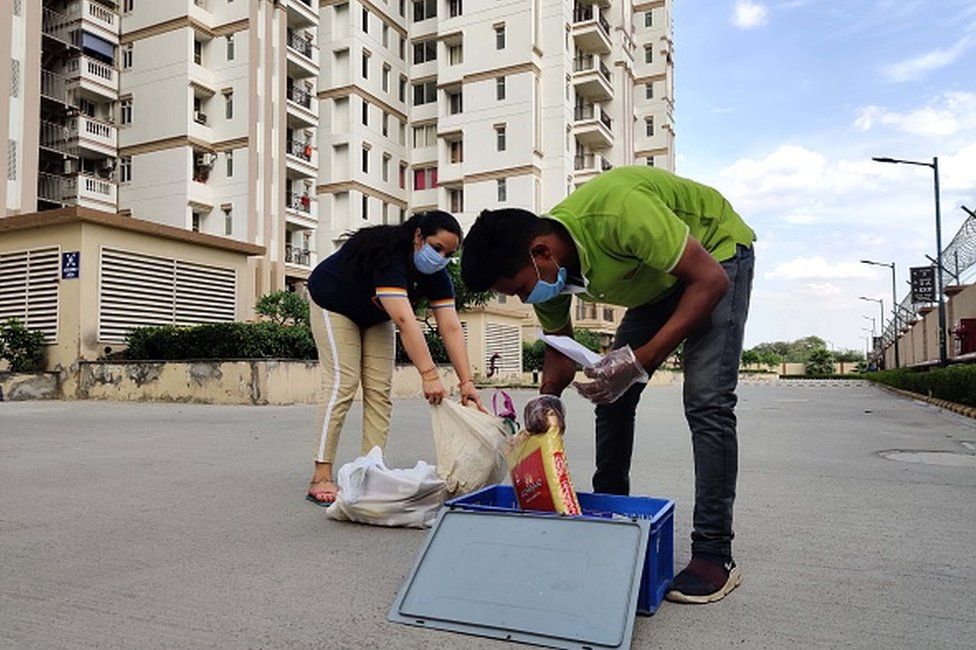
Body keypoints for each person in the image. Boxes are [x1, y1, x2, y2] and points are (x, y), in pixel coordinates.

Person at [461, 166, 755, 604]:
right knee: (610, 393)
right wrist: (548, 398)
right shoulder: (550, 269)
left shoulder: (619, 212)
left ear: (542, 252)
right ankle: (610, 508)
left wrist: (641, 360)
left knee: (707, 400)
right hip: (659, 284)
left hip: (716, 256)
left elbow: (709, 282)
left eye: (520, 289)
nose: (524, 300)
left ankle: (714, 552)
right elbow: (559, 347)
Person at [304, 211, 484, 506]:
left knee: (380, 391)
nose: (440, 258)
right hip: (332, 302)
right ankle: (321, 475)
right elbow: (404, 319)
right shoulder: (388, 254)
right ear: (418, 237)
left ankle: (370, 470)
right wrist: (429, 375)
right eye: (436, 247)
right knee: (343, 383)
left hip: (374, 314)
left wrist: (467, 382)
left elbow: (450, 326)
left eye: (448, 254)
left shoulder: (437, 276)